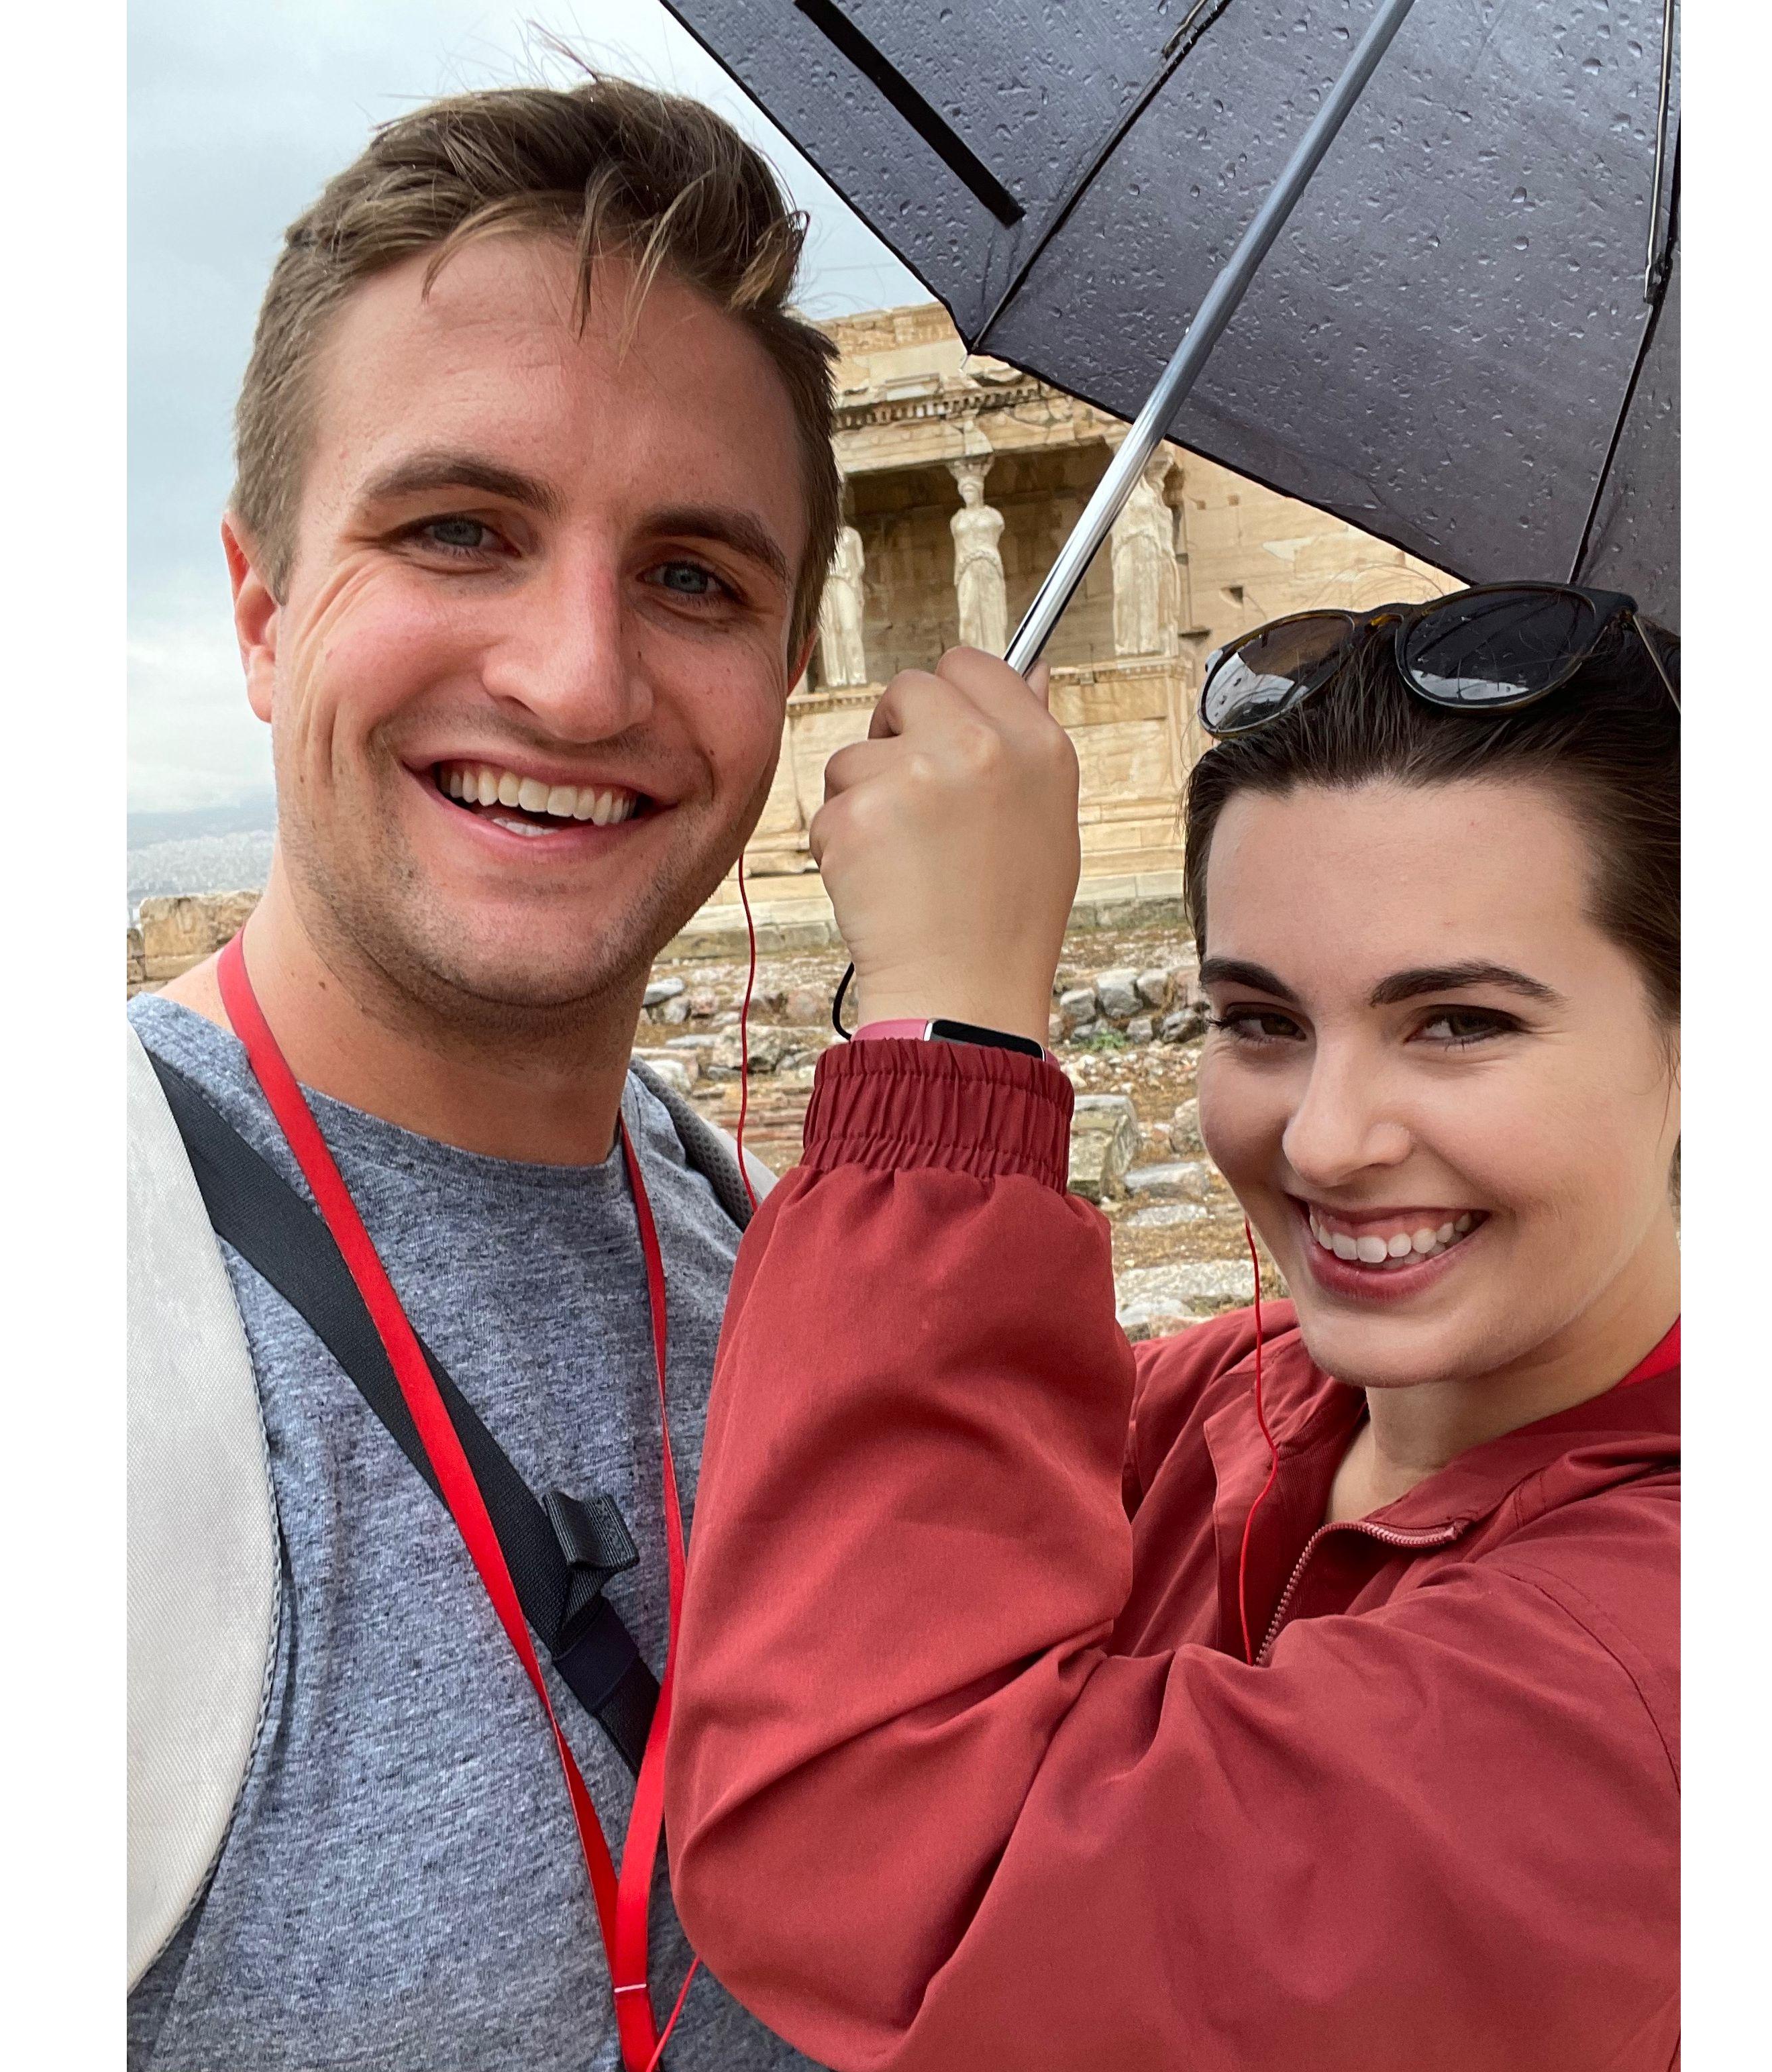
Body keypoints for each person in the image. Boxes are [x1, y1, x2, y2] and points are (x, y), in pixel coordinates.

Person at [666, 588, 1682, 2070]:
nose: (1326, 1141)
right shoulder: (1230, 1394)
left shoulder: (1656, 1667)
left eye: (1458, 1021)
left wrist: (947, 1039)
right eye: (1259, 1019)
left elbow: (875, 1870)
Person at [125, 79, 837, 2072]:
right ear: (264, 609)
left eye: (697, 577)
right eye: (460, 530)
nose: (579, 677)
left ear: (789, 681)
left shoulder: (753, 1246)